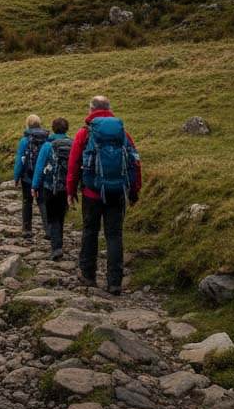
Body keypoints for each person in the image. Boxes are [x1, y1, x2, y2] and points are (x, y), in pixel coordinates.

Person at [67, 95, 142, 295]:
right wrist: (134, 191)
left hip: (92, 192)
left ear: (91, 110)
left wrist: (70, 190)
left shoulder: (84, 133)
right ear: (110, 109)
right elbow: (134, 161)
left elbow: (74, 164)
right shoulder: (122, 133)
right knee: (114, 234)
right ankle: (114, 281)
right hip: (117, 192)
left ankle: (88, 274)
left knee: (90, 231)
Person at [31, 117, 73, 260]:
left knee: (53, 217)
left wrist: (35, 185)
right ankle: (58, 242)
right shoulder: (72, 144)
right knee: (61, 215)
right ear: (66, 129)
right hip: (66, 187)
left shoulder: (47, 146)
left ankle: (56, 248)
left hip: (49, 187)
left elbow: (39, 166)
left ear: (53, 129)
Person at [14, 114, 49, 239]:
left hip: (27, 176)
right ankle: (48, 229)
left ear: (28, 124)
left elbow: (20, 160)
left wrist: (16, 176)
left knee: (27, 201)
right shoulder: (47, 138)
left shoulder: (25, 140)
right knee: (43, 202)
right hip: (43, 176)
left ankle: (27, 229)